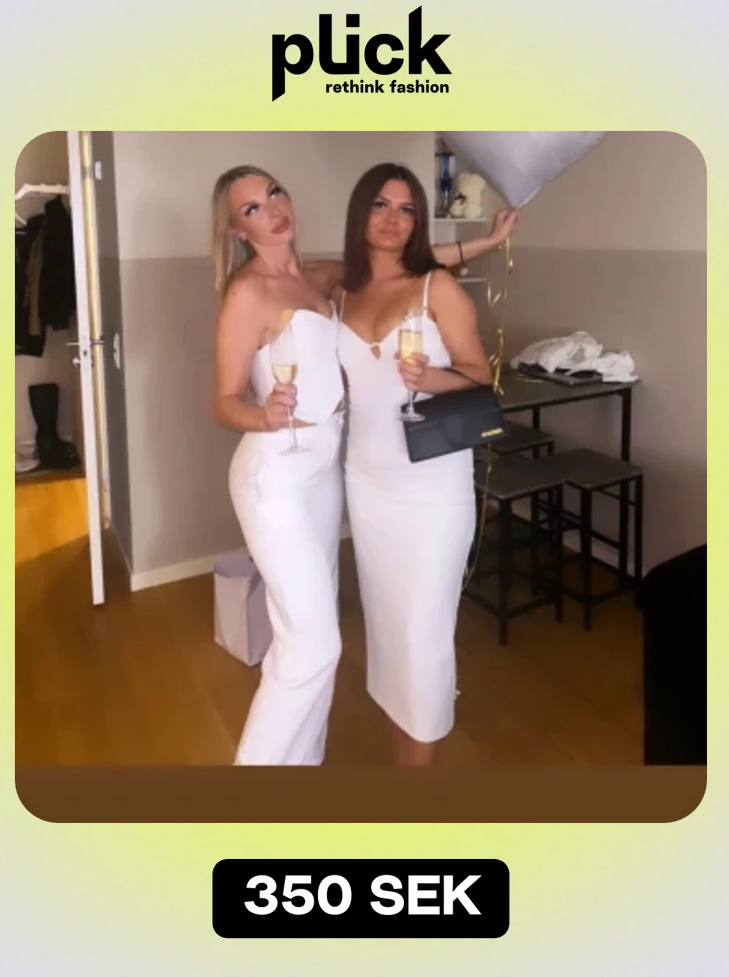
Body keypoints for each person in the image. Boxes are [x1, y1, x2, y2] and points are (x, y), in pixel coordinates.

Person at [212, 164, 515, 765]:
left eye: (274, 193)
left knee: (408, 638)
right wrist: (263, 416)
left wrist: (485, 242)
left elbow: (411, 264)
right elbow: (223, 401)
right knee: (334, 641)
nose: (272, 210)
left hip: (377, 480)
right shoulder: (282, 290)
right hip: (316, 478)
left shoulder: (334, 279)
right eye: (251, 209)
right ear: (239, 231)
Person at [334, 163, 494, 766]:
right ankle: (402, 758)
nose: (393, 219)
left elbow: (479, 377)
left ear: (418, 221)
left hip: (432, 489)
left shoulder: (437, 289)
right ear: (360, 212)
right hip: (366, 482)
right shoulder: (341, 291)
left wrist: (432, 378)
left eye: (406, 210)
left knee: (424, 638)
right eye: (380, 205)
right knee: (389, 629)